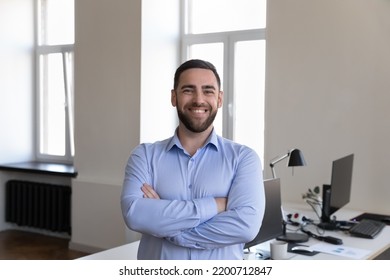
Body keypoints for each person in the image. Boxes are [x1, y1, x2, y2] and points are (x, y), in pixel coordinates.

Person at [121, 59, 265, 260]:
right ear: (174, 97)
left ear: (220, 99)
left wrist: (169, 229)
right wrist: (215, 205)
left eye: (208, 91)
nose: (199, 99)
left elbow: (245, 228)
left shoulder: (244, 159)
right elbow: (134, 214)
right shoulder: (144, 155)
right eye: (188, 90)